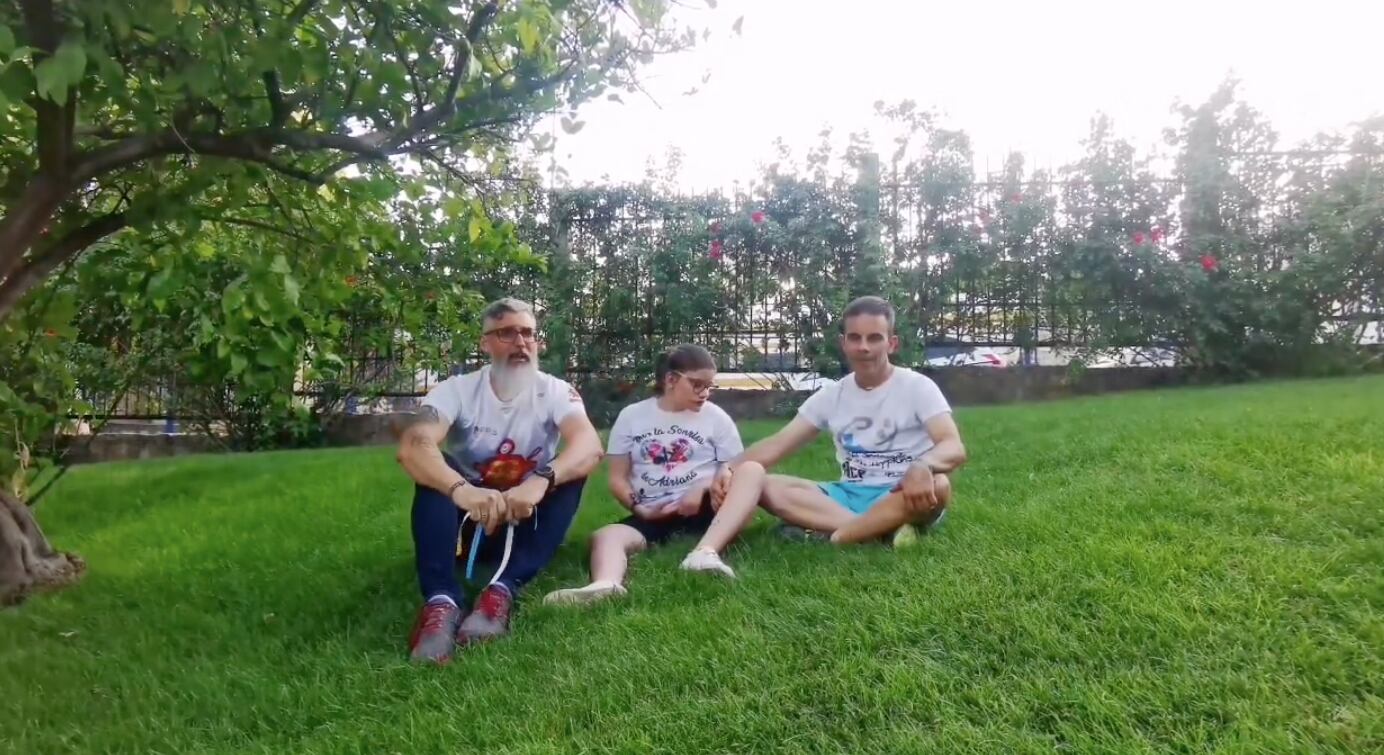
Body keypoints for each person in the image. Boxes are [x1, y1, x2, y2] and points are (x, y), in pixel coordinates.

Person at [396, 297, 604, 663]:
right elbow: (414, 445)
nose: (521, 343)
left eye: (528, 334)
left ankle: (502, 591)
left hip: (525, 520)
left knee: (570, 471)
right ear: (485, 343)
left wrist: (540, 481)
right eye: (506, 333)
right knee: (435, 466)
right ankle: (440, 602)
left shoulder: (555, 391)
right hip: (465, 527)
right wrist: (463, 491)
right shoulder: (456, 390)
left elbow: (589, 444)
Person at [712, 296, 966, 545]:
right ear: (843, 343)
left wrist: (923, 466)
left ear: (892, 344)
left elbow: (952, 446)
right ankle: (874, 530)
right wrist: (728, 470)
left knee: (939, 485)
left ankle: (839, 535)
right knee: (763, 485)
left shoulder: (917, 387)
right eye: (855, 338)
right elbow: (778, 444)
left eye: (874, 338)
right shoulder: (832, 396)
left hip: (900, 493)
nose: (863, 347)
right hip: (847, 495)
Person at [543, 345, 765, 605]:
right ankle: (606, 584)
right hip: (655, 512)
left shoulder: (716, 418)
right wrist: (642, 510)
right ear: (671, 379)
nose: (705, 393)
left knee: (753, 470)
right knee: (606, 536)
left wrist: (704, 485)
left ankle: (705, 552)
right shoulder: (632, 417)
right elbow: (617, 479)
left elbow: (733, 467)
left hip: (709, 510)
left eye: (709, 386)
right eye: (697, 384)